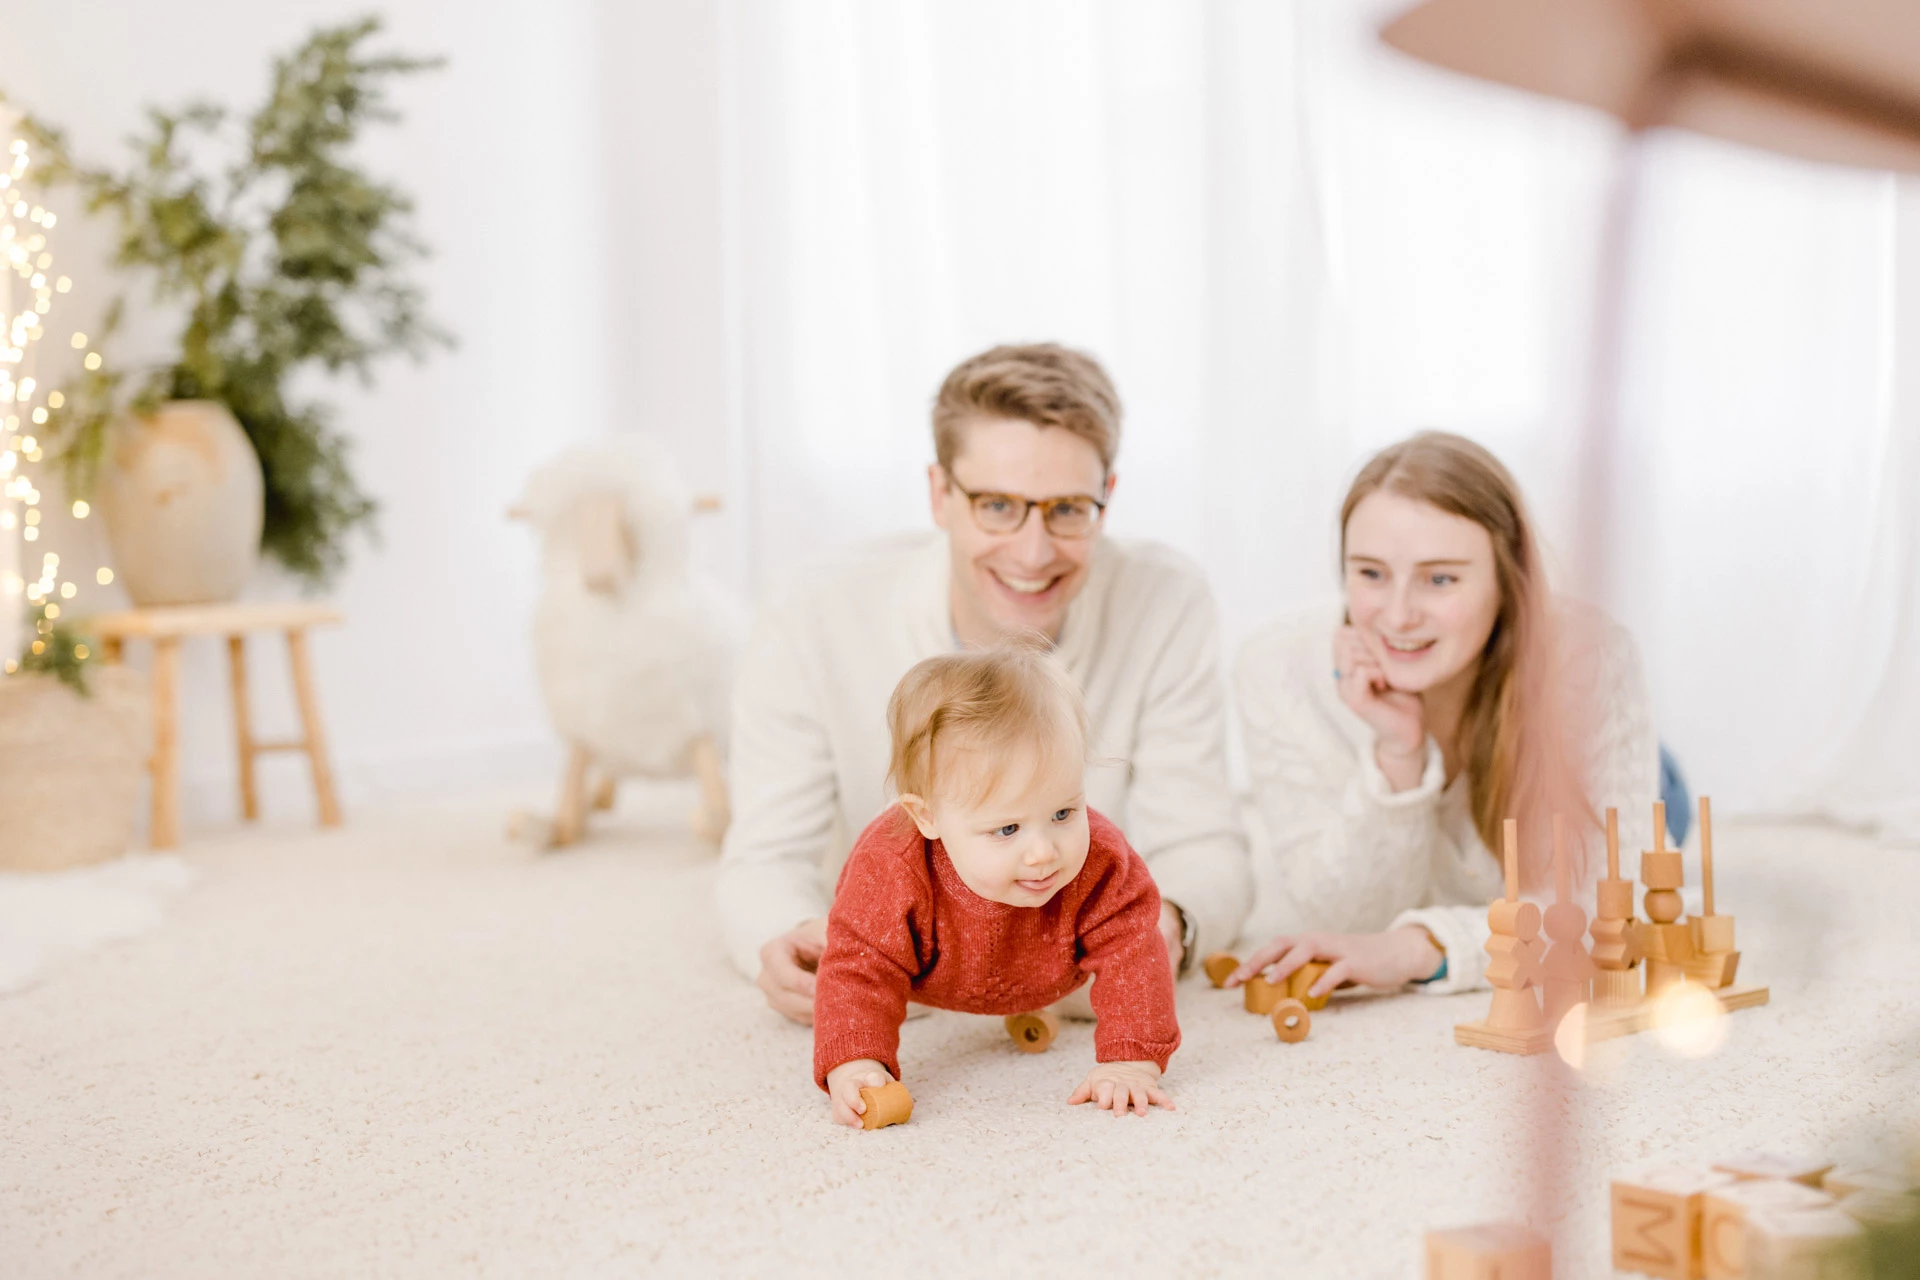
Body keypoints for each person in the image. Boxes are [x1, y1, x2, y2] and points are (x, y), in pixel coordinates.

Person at [715, 343, 1250, 1023]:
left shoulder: (1166, 598)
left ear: (1107, 499)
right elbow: (761, 859)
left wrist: (1164, 929)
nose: (1033, 552)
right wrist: (789, 934)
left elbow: (1206, 845)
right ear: (940, 494)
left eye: (1067, 509)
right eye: (998, 506)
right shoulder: (812, 612)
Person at [1229, 431, 1660, 999]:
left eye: (1440, 579)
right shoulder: (1276, 665)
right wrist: (1397, 757)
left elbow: (1615, 910)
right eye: (1371, 574)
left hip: (1567, 722)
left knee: (1669, 848)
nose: (1400, 616)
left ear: (1508, 583)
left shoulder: (1593, 656)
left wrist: (1423, 946)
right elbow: (1345, 920)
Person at [816, 645, 1179, 1126]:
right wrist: (857, 1060)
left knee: (1125, 977)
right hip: (930, 976)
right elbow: (858, 967)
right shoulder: (889, 867)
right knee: (867, 984)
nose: (1043, 852)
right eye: (1007, 830)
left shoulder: (1102, 861)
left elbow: (1133, 948)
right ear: (927, 817)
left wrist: (1132, 1060)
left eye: (1063, 813)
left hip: (1056, 972)